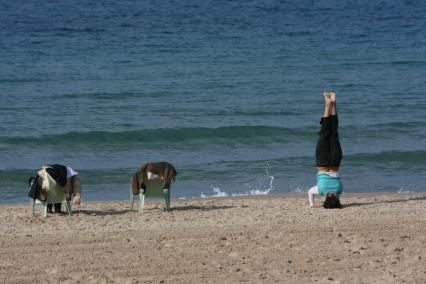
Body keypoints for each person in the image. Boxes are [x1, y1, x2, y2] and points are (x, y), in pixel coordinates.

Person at [308, 92, 343, 209]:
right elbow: (309, 192)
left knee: (334, 132)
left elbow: (337, 195)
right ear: (326, 199)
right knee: (324, 132)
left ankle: (333, 102)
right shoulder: (321, 191)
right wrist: (312, 205)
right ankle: (327, 104)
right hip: (322, 163)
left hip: (335, 162)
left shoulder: (339, 190)